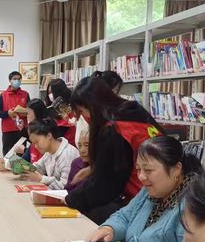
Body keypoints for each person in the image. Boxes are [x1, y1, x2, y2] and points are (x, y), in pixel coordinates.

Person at [86, 136, 202, 242]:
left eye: (148, 170)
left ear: (176, 169)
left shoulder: (194, 204)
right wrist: (109, 229)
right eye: (138, 169)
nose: (141, 176)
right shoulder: (150, 191)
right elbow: (125, 216)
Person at [64, 75, 164, 224]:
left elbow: (105, 186)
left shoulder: (112, 130)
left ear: (92, 106)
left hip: (144, 201)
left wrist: (70, 199)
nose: (84, 117)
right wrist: (94, 169)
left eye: (83, 111)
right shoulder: (135, 112)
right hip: (164, 193)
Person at [21, 118, 78, 190]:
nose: (35, 146)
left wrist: (41, 179)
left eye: (37, 142)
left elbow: (65, 187)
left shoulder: (67, 154)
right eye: (34, 143)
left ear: (49, 136)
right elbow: (37, 168)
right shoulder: (48, 152)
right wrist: (16, 166)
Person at [0, 70, 29, 155]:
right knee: (8, 155)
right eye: (14, 79)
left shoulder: (25, 94)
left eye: (19, 79)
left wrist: (24, 112)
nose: (17, 81)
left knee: (21, 154)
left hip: (22, 130)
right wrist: (8, 113)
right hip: (8, 131)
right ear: (10, 80)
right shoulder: (3, 95)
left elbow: (30, 111)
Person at [14, 98, 52, 163]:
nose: (27, 116)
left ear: (37, 113)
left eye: (28, 113)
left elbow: (43, 152)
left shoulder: (46, 128)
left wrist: (24, 150)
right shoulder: (35, 126)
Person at [44, 78, 77, 146]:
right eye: (49, 92)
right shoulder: (49, 107)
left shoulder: (71, 106)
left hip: (68, 141)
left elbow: (69, 125)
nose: (50, 95)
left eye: (52, 92)